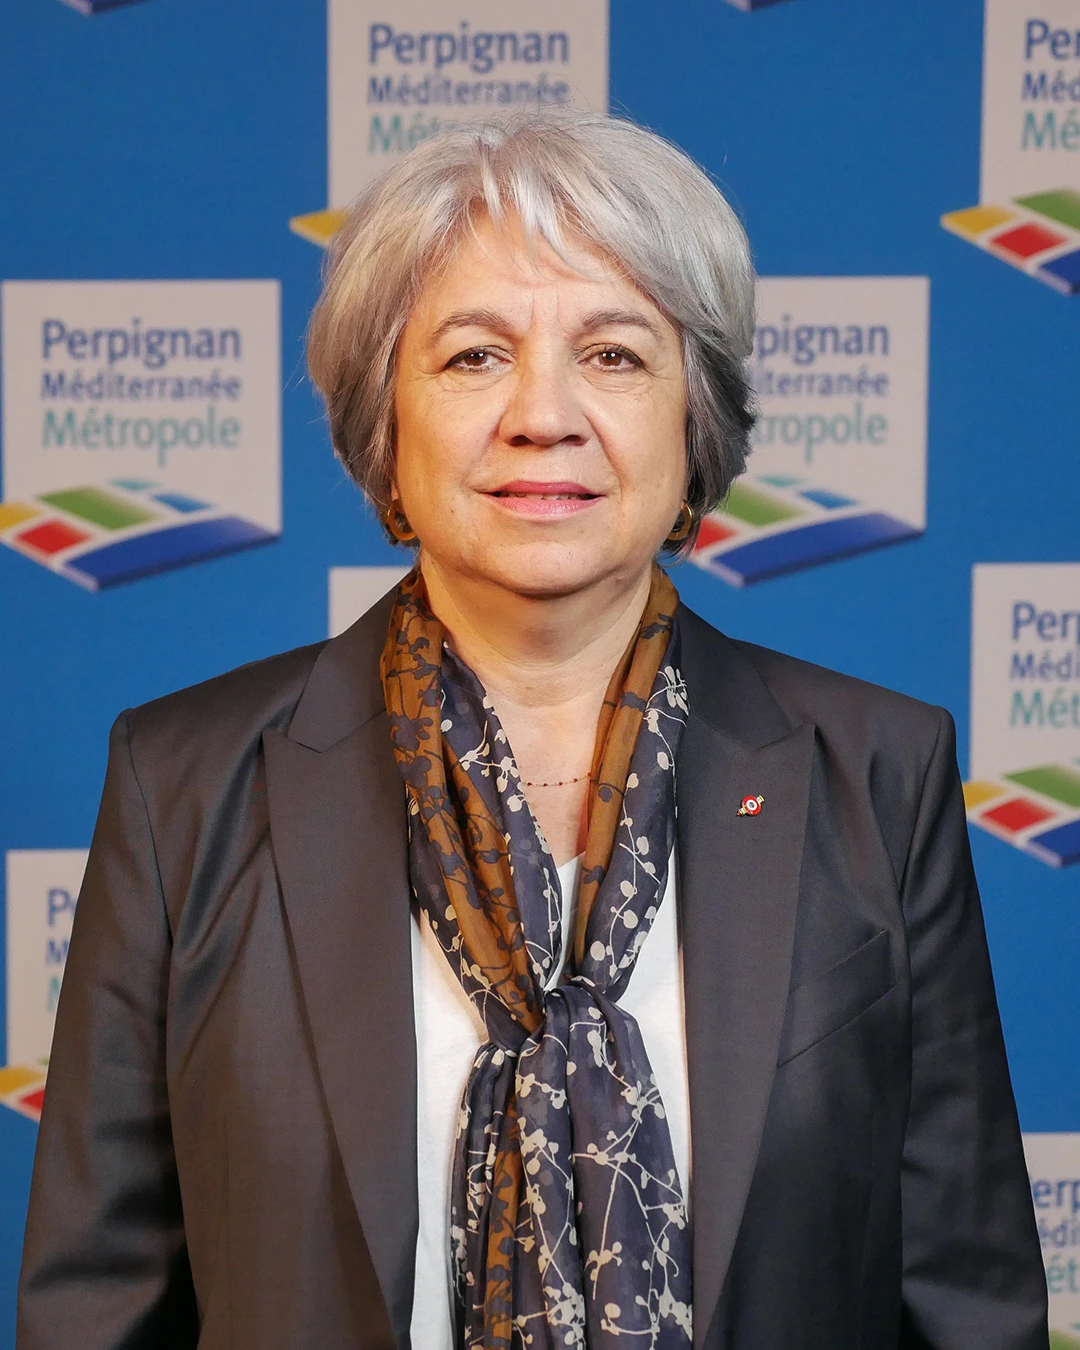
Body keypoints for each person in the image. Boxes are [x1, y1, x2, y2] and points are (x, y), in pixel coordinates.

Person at [17, 113, 1047, 1350]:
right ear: (384, 425)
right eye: (474, 357)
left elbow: (966, 1301)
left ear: (695, 420)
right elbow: (97, 1306)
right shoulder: (184, 782)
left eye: (613, 355)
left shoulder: (878, 771)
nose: (543, 414)